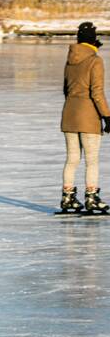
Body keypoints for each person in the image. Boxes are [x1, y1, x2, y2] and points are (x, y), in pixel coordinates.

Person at [60, 22, 110, 213]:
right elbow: (97, 92)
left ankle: (68, 198)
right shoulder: (95, 60)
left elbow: (66, 89)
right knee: (92, 160)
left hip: (69, 114)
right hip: (89, 116)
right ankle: (91, 198)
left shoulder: (70, 59)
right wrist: (107, 116)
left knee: (72, 159)